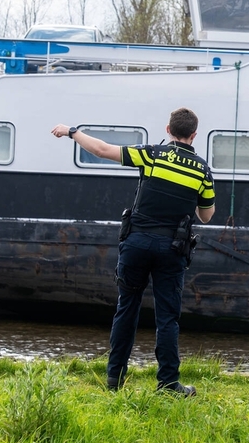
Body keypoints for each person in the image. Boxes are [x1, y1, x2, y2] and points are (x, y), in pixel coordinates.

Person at [51, 108, 215, 396]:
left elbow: (102, 150)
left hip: (136, 243)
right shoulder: (202, 170)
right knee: (167, 317)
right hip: (172, 250)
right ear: (194, 135)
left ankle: (114, 380)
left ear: (167, 130)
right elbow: (206, 215)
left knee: (127, 309)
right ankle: (168, 384)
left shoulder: (151, 155)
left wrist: (72, 131)